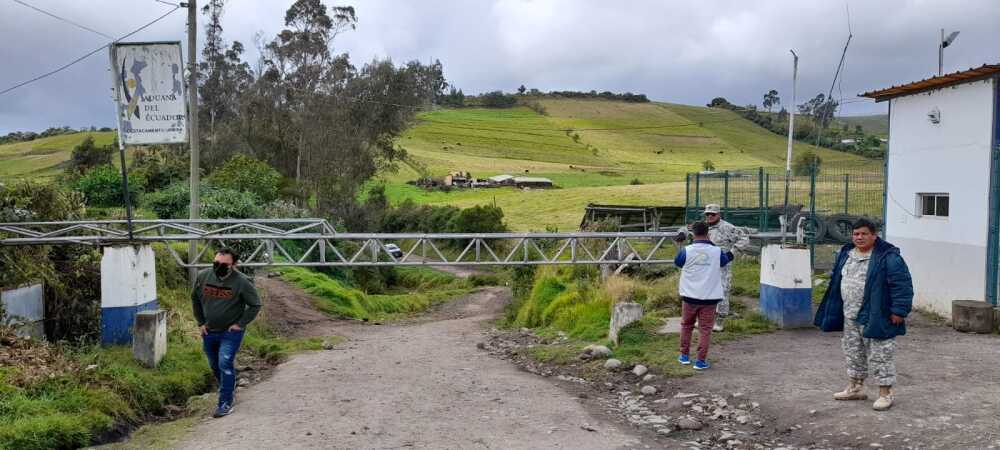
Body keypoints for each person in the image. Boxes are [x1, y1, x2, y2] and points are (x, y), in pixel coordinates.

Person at [814, 218, 913, 411]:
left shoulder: (888, 256)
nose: (859, 237)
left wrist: (899, 311)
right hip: (849, 314)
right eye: (856, 234)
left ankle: (885, 393)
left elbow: (902, 285)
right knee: (852, 351)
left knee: (880, 353)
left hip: (877, 314)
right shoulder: (846, 253)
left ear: (874, 236)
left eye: (864, 234)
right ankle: (856, 388)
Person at [192, 248, 262, 418]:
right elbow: (195, 298)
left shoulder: (243, 282)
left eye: (224, 264)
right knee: (214, 365)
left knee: (224, 363)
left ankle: (225, 402)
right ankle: (229, 387)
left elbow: (255, 305)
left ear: (234, 265)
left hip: (230, 332)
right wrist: (200, 322)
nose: (219, 267)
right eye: (216, 263)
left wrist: (240, 323)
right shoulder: (203, 276)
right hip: (209, 331)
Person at [674, 221, 734, 370]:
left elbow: (678, 262)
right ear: (708, 233)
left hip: (689, 296)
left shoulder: (686, 251)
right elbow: (725, 261)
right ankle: (700, 361)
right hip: (710, 297)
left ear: (693, 234)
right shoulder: (717, 251)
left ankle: (684, 356)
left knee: (686, 326)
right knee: (705, 329)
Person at [702, 204, 750, 332]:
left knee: (722, 291)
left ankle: (719, 322)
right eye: (707, 214)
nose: (710, 216)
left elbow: (744, 238)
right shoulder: (703, 227)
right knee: (705, 292)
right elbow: (689, 230)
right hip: (706, 265)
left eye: (713, 214)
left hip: (722, 264)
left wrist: (732, 253)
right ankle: (705, 319)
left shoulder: (727, 227)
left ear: (719, 214)